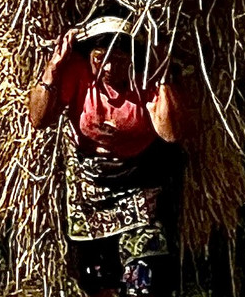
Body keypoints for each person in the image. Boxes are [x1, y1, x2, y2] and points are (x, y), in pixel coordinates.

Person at [28, 15, 183, 297]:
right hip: (89, 187)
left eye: (120, 60)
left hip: (139, 184)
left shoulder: (145, 79)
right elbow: (38, 119)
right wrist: (53, 67)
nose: (110, 68)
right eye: (101, 59)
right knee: (97, 278)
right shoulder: (78, 73)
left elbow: (171, 133)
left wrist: (163, 75)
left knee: (143, 281)